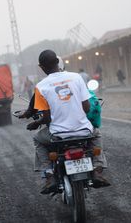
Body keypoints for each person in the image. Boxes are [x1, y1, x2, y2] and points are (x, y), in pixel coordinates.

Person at [28, 49, 109, 194]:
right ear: (58, 62)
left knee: (37, 139)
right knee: (96, 134)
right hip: (83, 130)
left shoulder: (41, 86)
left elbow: (46, 119)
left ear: (41, 67)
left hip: (58, 135)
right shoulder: (76, 77)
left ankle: (49, 174)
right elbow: (86, 107)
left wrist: (35, 123)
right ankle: (97, 169)